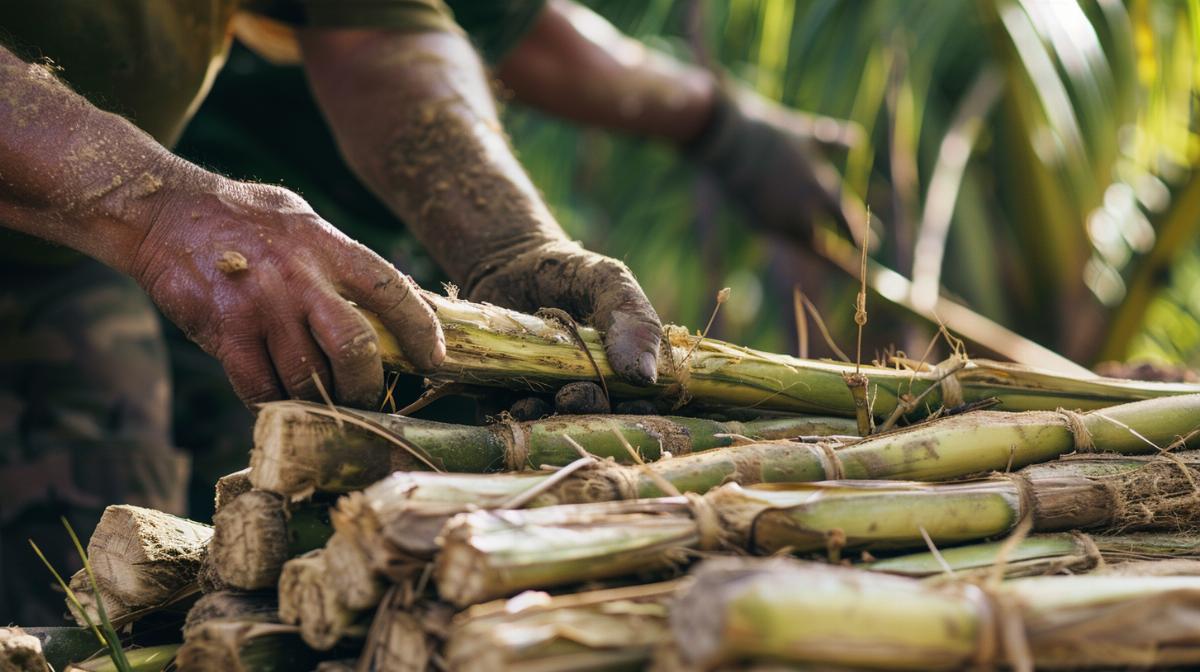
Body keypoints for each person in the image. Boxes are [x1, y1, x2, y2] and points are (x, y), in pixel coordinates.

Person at [0, 0, 850, 623]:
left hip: (57, 255)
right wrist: (162, 210)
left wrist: (503, 245)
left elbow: (378, 25)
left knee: (93, 581)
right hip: (109, 201)